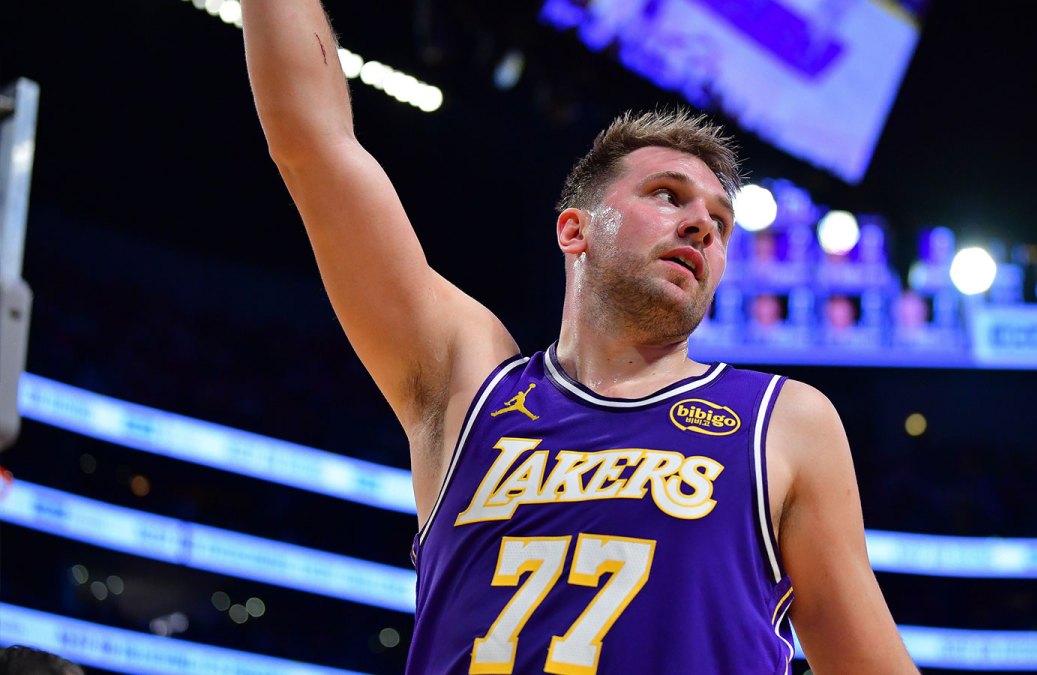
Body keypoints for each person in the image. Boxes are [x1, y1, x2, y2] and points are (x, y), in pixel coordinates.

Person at [242, 2, 918, 673]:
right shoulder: (470, 384)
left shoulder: (784, 420)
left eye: (719, 218)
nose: (702, 225)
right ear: (576, 231)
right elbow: (315, 145)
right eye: (666, 194)